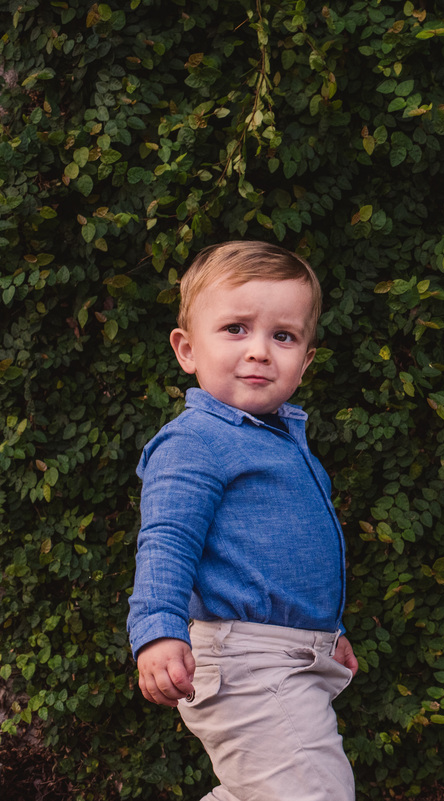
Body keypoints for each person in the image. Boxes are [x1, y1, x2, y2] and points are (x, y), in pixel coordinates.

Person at [127, 241, 357, 801]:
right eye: (235, 329)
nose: (259, 351)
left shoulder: (284, 443)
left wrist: (328, 632)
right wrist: (157, 629)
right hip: (245, 664)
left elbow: (287, 560)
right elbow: (167, 541)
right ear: (187, 349)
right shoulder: (195, 441)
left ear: (305, 360)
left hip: (290, 657)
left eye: (284, 336)